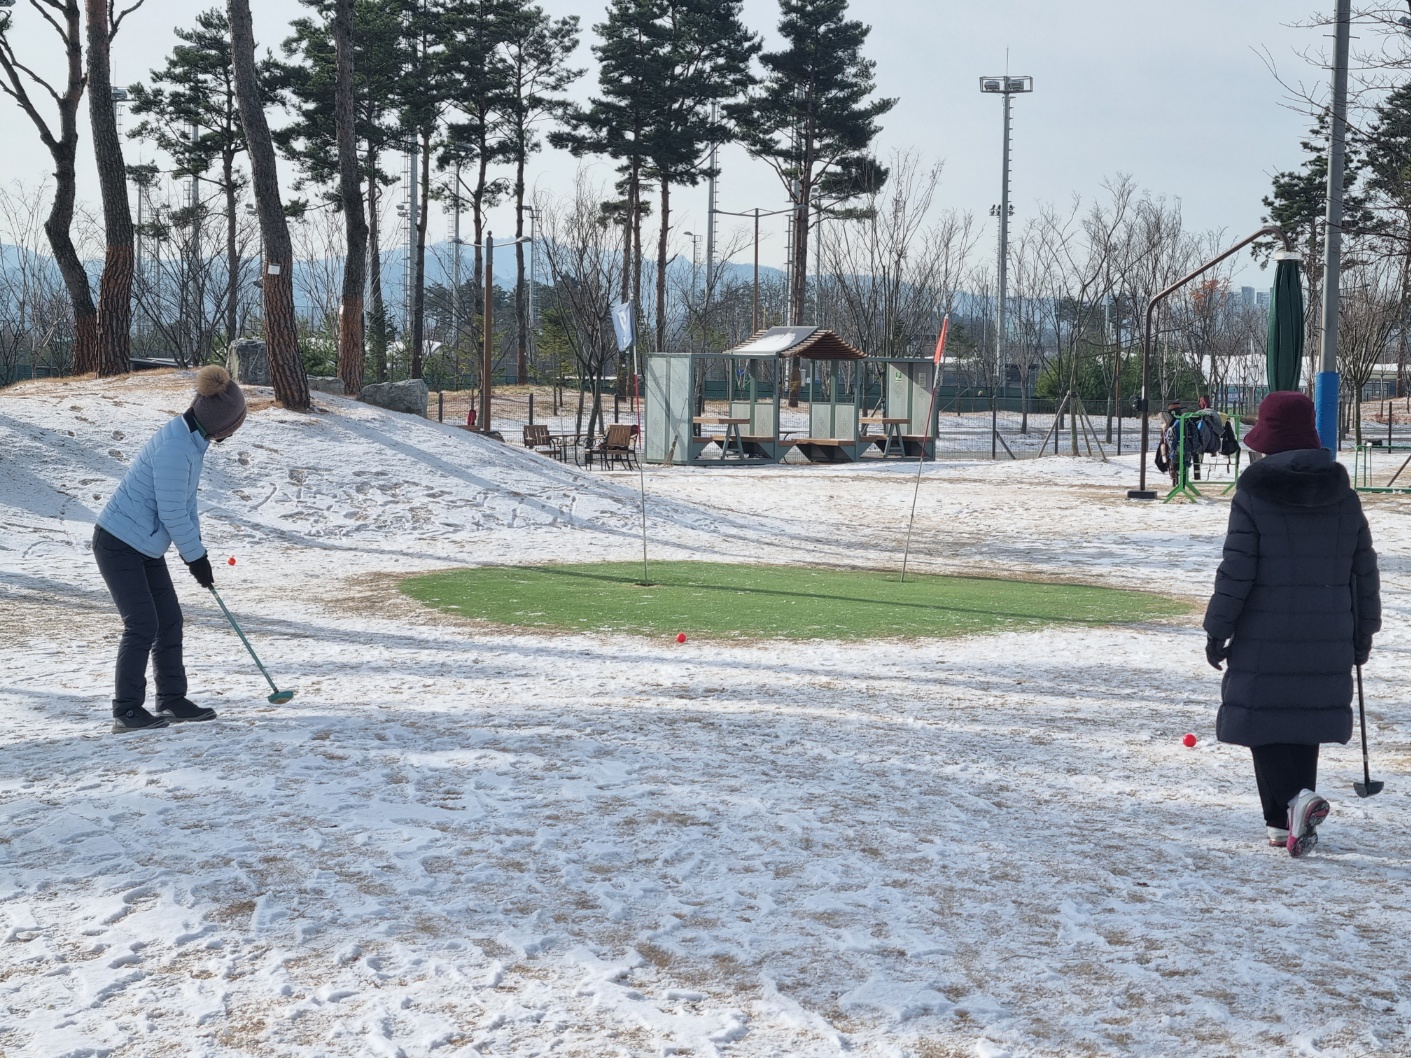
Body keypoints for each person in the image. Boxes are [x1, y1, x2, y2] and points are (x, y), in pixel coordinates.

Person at [1203, 390, 1381, 857]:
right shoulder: (1345, 498)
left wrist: (1218, 627)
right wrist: (1364, 633)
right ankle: (1285, 823)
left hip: (1264, 633)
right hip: (1328, 635)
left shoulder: (1253, 495)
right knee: (1303, 720)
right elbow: (1363, 572)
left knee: (1264, 722)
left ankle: (1292, 804)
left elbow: (1236, 569)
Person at [93, 365, 247, 733]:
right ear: (223, 426)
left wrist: (198, 554)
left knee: (169, 620)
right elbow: (173, 512)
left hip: (144, 545)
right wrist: (196, 559)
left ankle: (172, 700)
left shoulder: (190, 439)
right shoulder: (178, 448)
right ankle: (126, 710)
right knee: (142, 624)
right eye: (236, 425)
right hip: (119, 543)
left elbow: (185, 506)